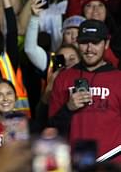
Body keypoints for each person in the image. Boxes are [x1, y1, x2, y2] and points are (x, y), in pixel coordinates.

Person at [49, 20, 121, 164]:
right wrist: (68, 108)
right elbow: (52, 129)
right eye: (84, 42)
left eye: (95, 43)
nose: (89, 49)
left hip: (112, 163)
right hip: (76, 163)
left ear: (106, 44)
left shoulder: (118, 78)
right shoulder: (63, 77)